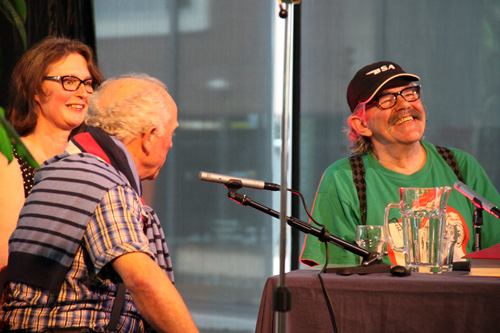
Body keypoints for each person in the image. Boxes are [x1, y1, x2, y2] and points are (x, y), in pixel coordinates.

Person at [1, 74, 198, 332]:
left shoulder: (68, 169)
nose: (171, 143)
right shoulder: (101, 181)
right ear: (149, 136)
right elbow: (142, 279)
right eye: (171, 133)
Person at [300, 61, 500, 267]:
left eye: (409, 93)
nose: (404, 104)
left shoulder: (461, 166)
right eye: (387, 100)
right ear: (361, 124)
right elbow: (334, 278)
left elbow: (496, 251)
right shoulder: (343, 179)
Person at [0, 36, 103, 271]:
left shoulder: (88, 160)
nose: (83, 93)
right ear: (36, 89)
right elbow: (5, 260)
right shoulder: (10, 159)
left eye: (87, 83)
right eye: (69, 81)